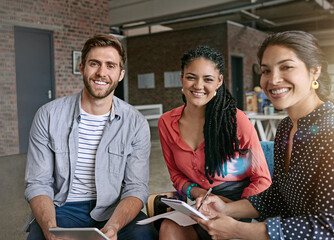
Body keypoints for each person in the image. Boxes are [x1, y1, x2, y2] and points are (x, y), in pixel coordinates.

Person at [192, 31, 334, 239]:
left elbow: (328, 227)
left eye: (286, 67)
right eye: (266, 70)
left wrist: (237, 230)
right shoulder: (286, 128)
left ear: (314, 71)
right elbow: (278, 196)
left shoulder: (330, 132)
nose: (273, 80)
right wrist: (226, 209)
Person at [24, 34, 158, 240]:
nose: (101, 73)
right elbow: (38, 182)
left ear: (121, 74)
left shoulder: (136, 122)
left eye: (110, 66)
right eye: (94, 64)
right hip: (63, 207)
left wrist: (114, 227)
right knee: (39, 237)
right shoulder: (48, 115)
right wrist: (51, 230)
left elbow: (136, 186)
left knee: (145, 235)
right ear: (81, 67)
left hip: (114, 209)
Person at [158, 46, 272, 239]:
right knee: (169, 228)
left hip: (238, 203)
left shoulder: (236, 120)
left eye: (208, 79)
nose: (198, 85)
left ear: (219, 81)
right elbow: (176, 176)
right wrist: (198, 193)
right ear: (182, 79)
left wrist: (231, 208)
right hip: (200, 202)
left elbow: (262, 180)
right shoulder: (166, 123)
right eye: (191, 77)